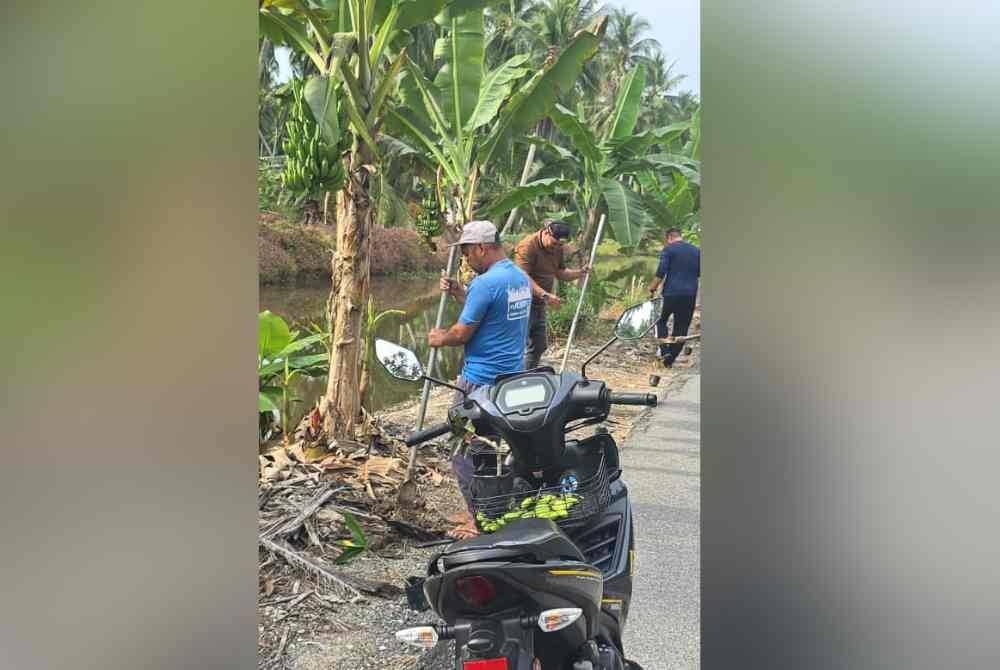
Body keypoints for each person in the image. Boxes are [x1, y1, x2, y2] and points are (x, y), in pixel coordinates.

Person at [431, 220, 532, 538]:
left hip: (479, 382)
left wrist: (440, 338)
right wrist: (463, 292)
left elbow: (462, 333)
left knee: (464, 452)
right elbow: (492, 313)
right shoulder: (517, 277)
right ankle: (494, 510)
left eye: (465, 253)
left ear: (481, 248)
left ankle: (480, 519)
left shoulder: (486, 283)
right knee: (495, 449)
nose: (464, 260)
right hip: (509, 379)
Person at [513, 220, 591, 370]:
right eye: (554, 243)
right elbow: (521, 278)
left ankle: (525, 377)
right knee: (516, 346)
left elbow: (560, 272)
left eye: (560, 245)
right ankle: (507, 381)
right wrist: (546, 295)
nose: (556, 248)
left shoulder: (558, 248)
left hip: (539, 304)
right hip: (522, 303)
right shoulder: (528, 246)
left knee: (539, 345)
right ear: (546, 232)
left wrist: (580, 273)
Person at [648, 227, 701, 367]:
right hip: (690, 294)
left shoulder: (668, 249)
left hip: (671, 293)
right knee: (682, 327)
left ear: (669, 237)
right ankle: (669, 360)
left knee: (660, 321)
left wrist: (652, 288)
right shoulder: (696, 251)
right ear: (680, 236)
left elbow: (661, 271)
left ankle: (665, 351)